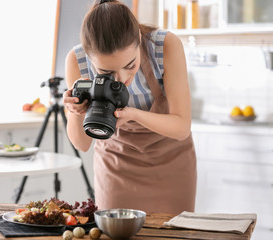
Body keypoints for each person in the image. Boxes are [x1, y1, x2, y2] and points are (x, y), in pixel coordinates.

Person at [63, 0, 196, 214]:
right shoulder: (76, 60)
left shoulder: (165, 46)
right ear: (89, 57)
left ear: (139, 40)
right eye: (106, 72)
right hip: (116, 165)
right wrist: (75, 111)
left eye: (130, 65)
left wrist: (133, 115)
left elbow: (181, 127)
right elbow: (82, 144)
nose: (122, 78)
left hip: (172, 162)